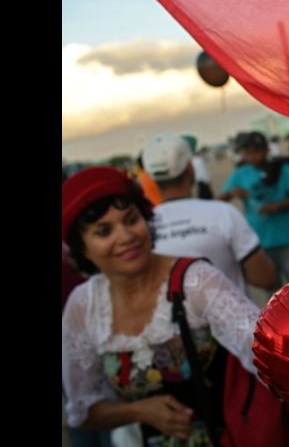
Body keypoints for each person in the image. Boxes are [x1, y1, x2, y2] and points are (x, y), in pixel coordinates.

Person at [61, 166, 261, 446]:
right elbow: (83, 411)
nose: (126, 236)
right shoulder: (84, 306)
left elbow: (263, 355)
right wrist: (138, 411)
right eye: (104, 231)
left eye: (131, 220)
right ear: (82, 248)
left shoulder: (195, 282)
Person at [142, 132, 277, 295]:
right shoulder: (223, 213)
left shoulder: (143, 227)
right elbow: (266, 278)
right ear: (190, 169)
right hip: (232, 318)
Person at [220, 131, 289, 291]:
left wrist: (278, 206)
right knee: (273, 295)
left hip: (287, 240)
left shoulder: (282, 168)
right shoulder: (240, 174)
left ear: (267, 150)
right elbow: (219, 201)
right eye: (247, 153)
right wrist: (232, 193)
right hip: (259, 244)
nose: (252, 157)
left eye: (256, 152)